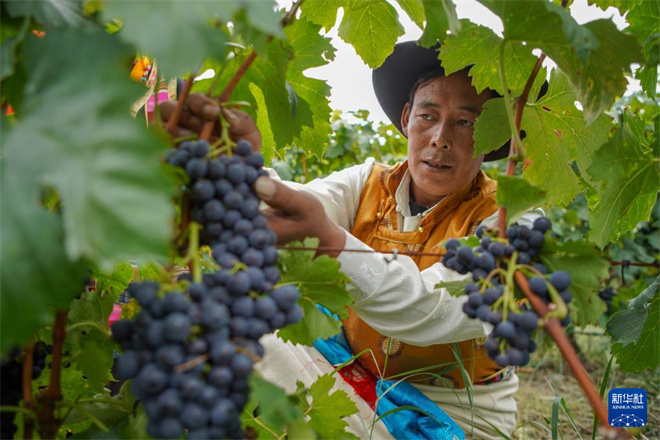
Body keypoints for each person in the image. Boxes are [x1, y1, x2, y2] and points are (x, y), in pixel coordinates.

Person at [162, 41, 541, 439]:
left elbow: (436, 308)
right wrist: (242, 171)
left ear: (491, 135)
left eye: (465, 123)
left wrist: (330, 242)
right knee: (235, 328)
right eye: (428, 116)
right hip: (356, 376)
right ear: (407, 118)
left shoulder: (512, 218)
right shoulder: (366, 184)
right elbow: (300, 207)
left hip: (455, 417)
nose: (440, 138)